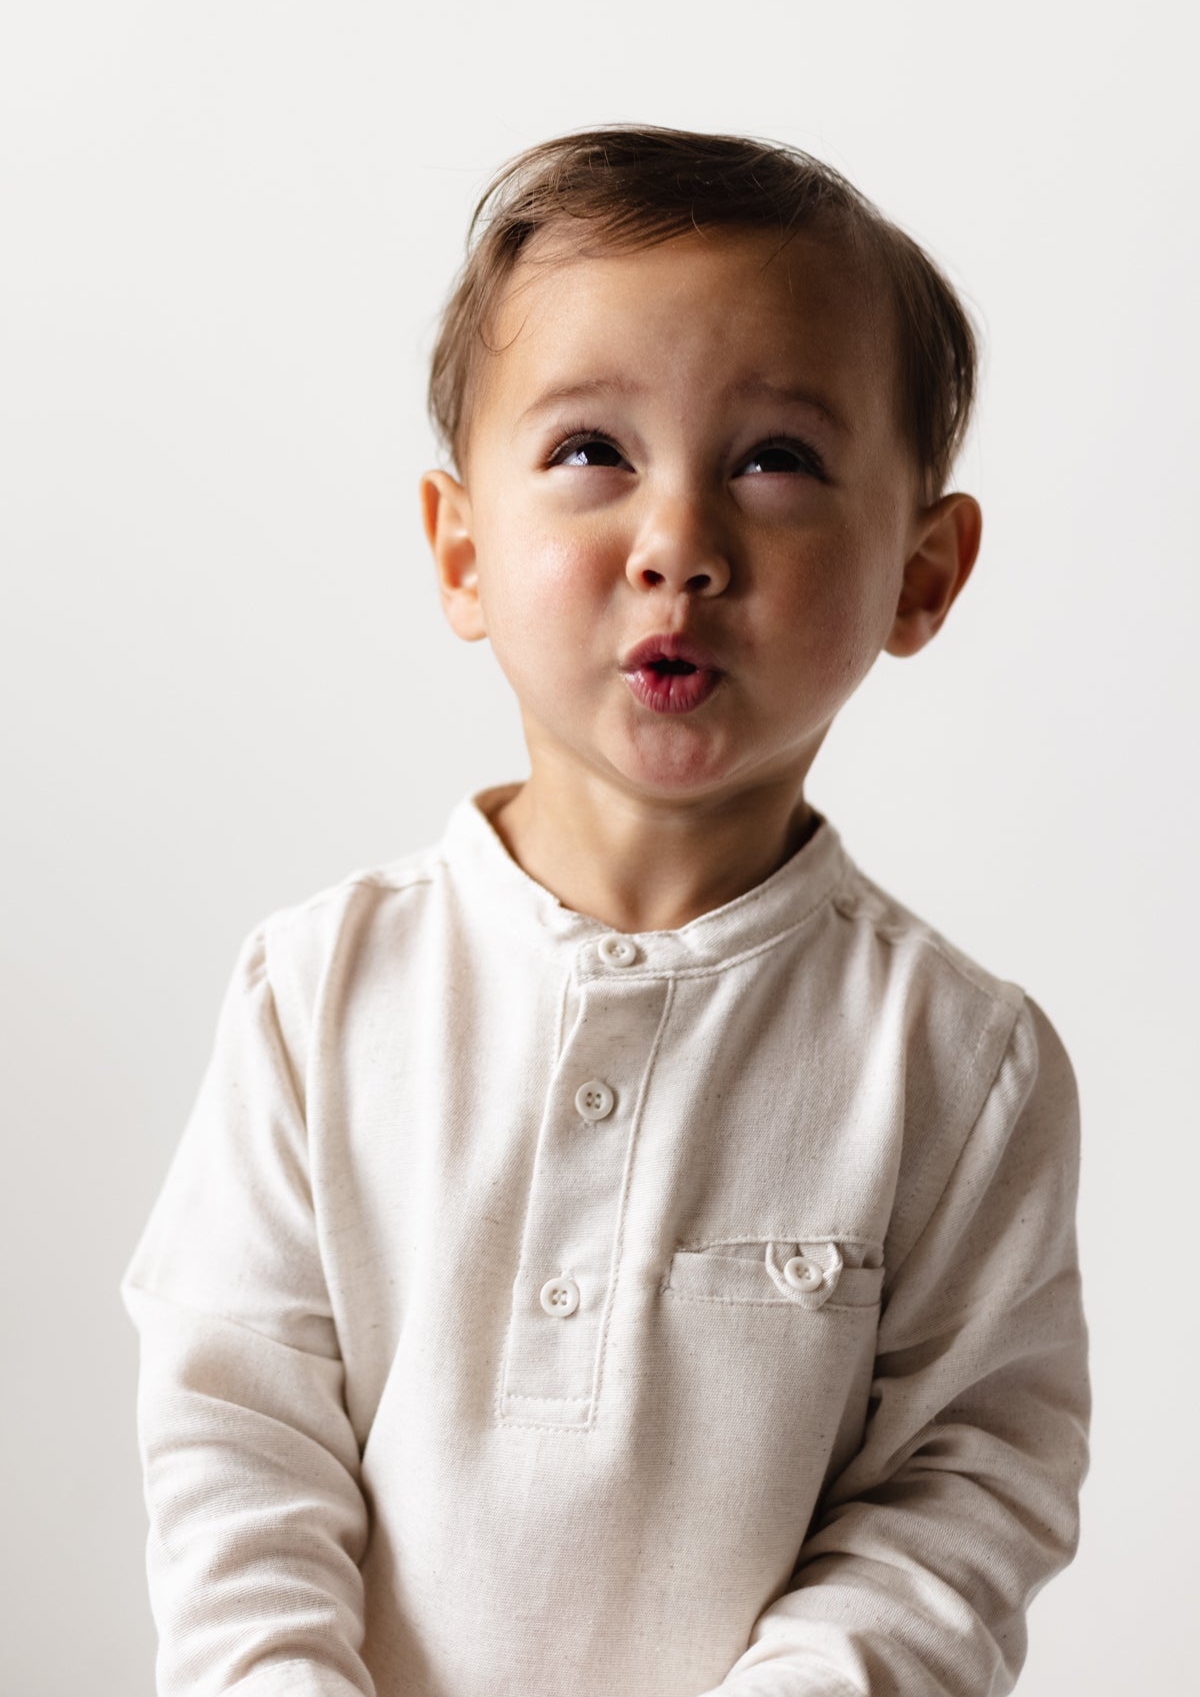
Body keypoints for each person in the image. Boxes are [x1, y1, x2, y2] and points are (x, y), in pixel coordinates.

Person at [121, 124, 1090, 1697]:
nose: (678, 546)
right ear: (462, 552)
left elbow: (962, 1491)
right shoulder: (316, 997)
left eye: (775, 459)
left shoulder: (959, 1065)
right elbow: (236, 1433)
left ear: (923, 571)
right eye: (592, 453)